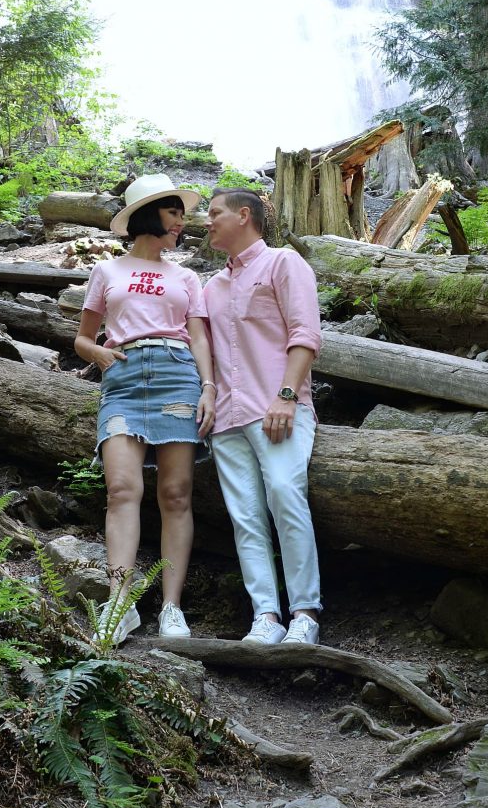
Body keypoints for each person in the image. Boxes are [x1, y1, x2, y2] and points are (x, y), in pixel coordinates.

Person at [75, 173, 216, 644]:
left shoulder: (187, 277)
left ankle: (172, 607)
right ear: (148, 216)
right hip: (124, 377)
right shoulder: (107, 271)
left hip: (178, 372)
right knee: (120, 489)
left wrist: (209, 385)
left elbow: (198, 335)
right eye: (175, 212)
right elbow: (82, 337)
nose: (182, 221)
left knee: (175, 493)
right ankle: (119, 602)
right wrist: (97, 353)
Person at [197, 187, 323, 645]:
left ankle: (305, 613)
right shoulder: (211, 287)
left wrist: (287, 395)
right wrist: (208, 392)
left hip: (277, 408)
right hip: (227, 418)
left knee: (286, 494)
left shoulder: (283, 263)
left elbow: (305, 332)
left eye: (214, 213)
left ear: (244, 215)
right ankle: (265, 617)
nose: (206, 221)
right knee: (245, 516)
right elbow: (202, 348)